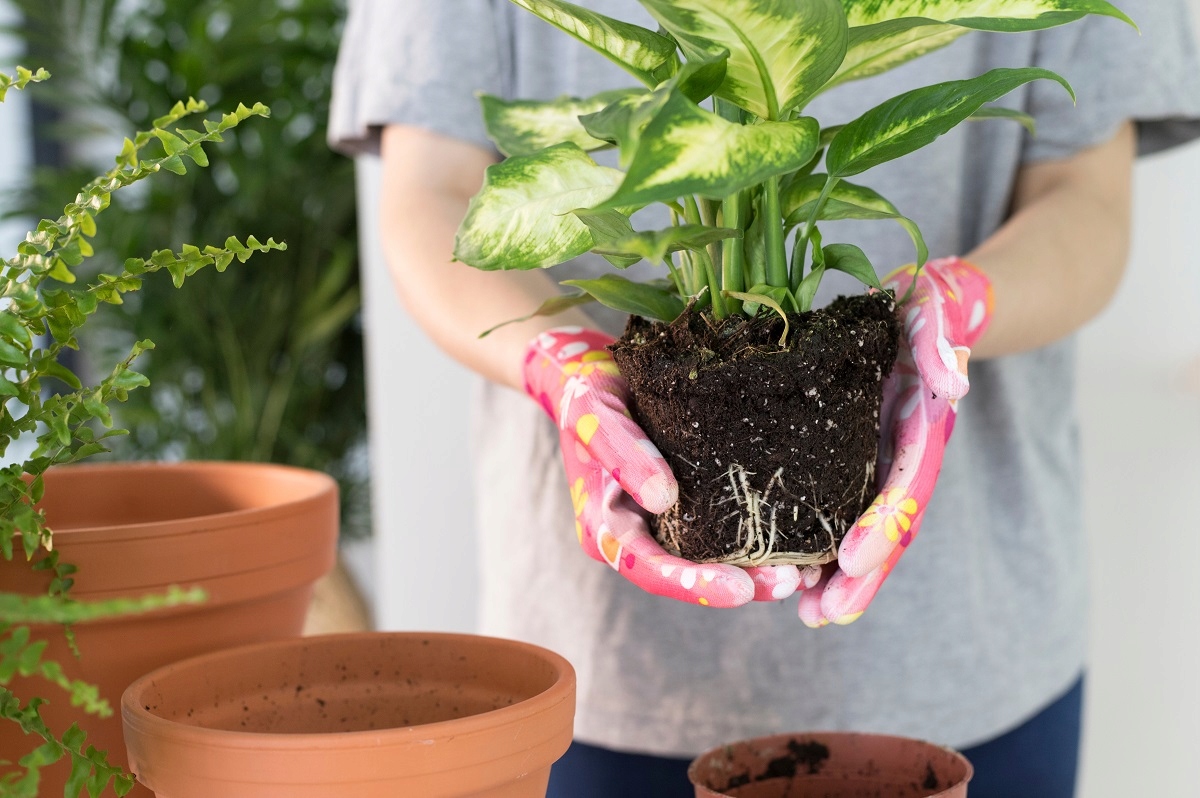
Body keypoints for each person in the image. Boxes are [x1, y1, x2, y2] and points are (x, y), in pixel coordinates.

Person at [328, 2, 1200, 795]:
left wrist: (956, 310)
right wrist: (552, 361)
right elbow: (435, 192)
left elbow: (1083, 196)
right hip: (599, 676)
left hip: (975, 656)